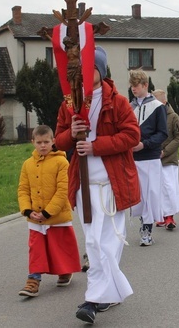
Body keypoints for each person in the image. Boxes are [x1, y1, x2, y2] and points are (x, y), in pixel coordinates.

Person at [55, 46, 140, 323]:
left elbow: (131, 135)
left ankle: (92, 300)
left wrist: (95, 146)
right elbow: (60, 140)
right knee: (93, 241)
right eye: (78, 69)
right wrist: (73, 132)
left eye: (89, 67)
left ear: (100, 70)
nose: (82, 73)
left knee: (108, 243)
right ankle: (111, 292)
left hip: (112, 185)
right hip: (83, 186)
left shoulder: (117, 102)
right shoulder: (69, 103)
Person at [17, 125, 81, 298]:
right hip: (34, 218)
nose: (43, 146)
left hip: (56, 216)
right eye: (39, 142)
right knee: (36, 249)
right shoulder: (27, 164)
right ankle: (33, 280)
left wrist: (47, 213)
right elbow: (23, 189)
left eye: (46, 142)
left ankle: (65, 271)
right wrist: (27, 210)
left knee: (59, 247)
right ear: (33, 143)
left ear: (53, 141)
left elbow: (63, 191)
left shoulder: (62, 162)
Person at [130, 69, 168, 245]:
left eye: (136, 85)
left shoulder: (158, 107)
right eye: (131, 85)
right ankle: (142, 223)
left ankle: (147, 229)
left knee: (151, 194)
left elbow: (162, 133)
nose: (133, 89)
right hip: (133, 159)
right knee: (138, 195)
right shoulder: (129, 107)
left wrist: (144, 144)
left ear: (145, 85)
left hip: (150, 157)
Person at [152, 89, 179, 230]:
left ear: (164, 102)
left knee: (169, 187)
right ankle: (161, 216)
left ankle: (170, 216)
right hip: (154, 158)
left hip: (168, 158)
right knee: (157, 189)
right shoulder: (152, 116)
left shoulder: (173, 117)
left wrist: (165, 152)